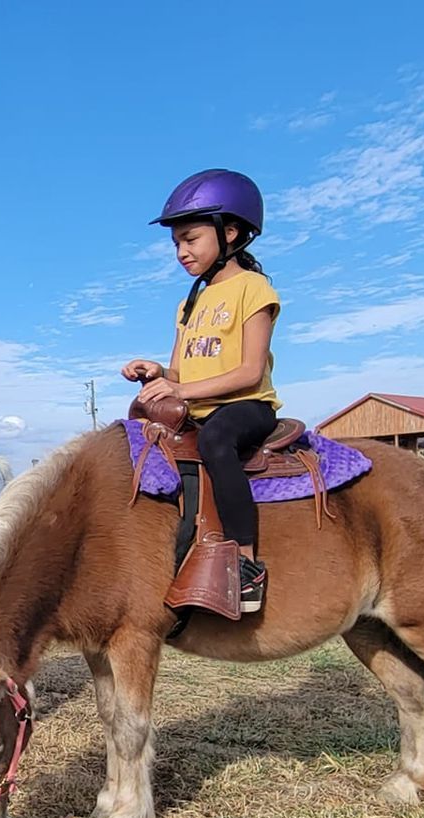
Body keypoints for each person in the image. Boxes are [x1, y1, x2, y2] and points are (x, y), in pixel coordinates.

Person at [119, 169, 280, 613]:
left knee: (215, 440)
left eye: (190, 239)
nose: (181, 252)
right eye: (176, 244)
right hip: (201, 403)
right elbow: (182, 367)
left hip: (246, 406)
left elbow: (248, 371)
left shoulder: (254, 289)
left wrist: (182, 389)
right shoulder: (189, 303)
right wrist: (158, 370)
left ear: (230, 232)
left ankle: (246, 563)